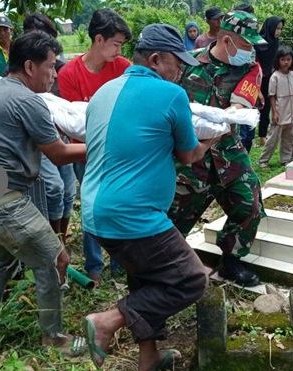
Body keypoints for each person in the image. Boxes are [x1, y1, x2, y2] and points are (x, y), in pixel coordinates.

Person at [81, 23, 211, 371]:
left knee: (149, 277)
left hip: (96, 214)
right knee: (190, 278)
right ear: (155, 59)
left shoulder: (105, 91)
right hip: (133, 215)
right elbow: (189, 155)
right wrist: (213, 139)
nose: (181, 71)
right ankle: (106, 322)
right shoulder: (170, 95)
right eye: (177, 63)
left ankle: (149, 358)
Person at [0, 31, 87, 355]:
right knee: (54, 257)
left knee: (1, 262)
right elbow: (58, 154)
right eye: (51, 66)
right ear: (30, 66)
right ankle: (54, 337)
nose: (55, 74)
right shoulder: (26, 100)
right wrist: (103, 146)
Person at [170, 10, 266, 287]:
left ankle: (231, 260)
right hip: (189, 155)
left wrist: (213, 116)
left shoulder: (250, 68)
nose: (251, 51)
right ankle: (168, 271)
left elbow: (238, 109)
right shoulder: (187, 62)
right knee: (174, 220)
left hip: (228, 151)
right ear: (227, 40)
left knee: (250, 205)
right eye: (246, 44)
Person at [57, 8, 131, 283]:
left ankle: (120, 263)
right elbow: (76, 120)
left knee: (119, 203)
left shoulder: (122, 68)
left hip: (119, 149)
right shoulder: (69, 74)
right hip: (85, 151)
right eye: (116, 44)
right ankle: (94, 265)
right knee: (91, 205)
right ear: (99, 40)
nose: (118, 51)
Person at [23, 12, 77, 245]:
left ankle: (61, 238)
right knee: (54, 189)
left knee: (68, 190)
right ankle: (54, 244)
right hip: (38, 139)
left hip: (59, 134)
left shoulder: (58, 66)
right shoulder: (19, 69)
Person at [258, 46, 293, 167]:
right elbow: (272, 96)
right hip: (280, 110)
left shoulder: (292, 75)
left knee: (289, 137)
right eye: (283, 59)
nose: (286, 62)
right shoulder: (275, 76)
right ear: (278, 61)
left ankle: (286, 158)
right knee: (273, 138)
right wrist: (275, 112)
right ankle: (263, 160)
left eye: (288, 59)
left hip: (291, 110)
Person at [251, 16, 285, 152]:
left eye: (280, 29)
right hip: (256, 78)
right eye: (277, 28)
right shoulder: (258, 42)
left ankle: (263, 135)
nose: (278, 32)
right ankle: (250, 136)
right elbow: (255, 61)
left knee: (266, 107)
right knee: (254, 106)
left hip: (270, 78)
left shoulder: (275, 42)